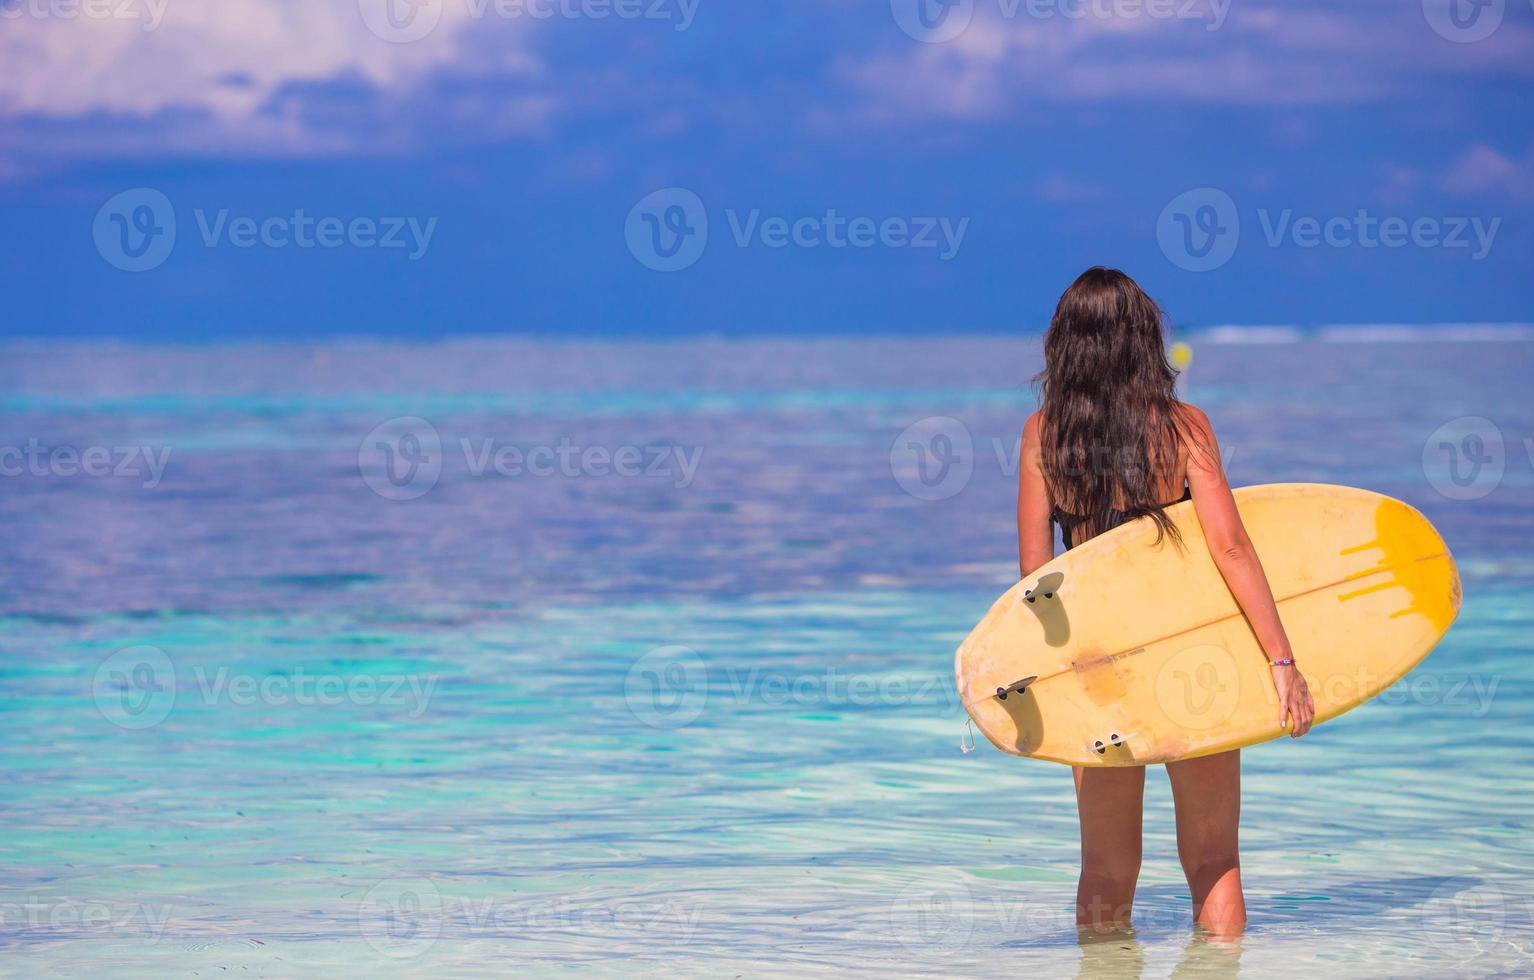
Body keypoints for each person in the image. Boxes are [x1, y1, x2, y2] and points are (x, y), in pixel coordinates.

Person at [1015, 267, 1316, 936]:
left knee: (1105, 870)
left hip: (1098, 670)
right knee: (1213, 860)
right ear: (1141, 340)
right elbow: (1231, 548)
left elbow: (1035, 578)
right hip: (1194, 659)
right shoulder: (1184, 427)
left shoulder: (1044, 436)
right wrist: (1281, 660)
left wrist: (1043, 686)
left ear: (1066, 345)